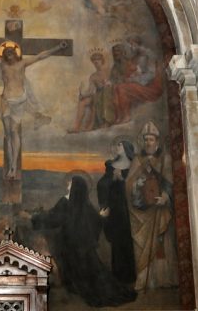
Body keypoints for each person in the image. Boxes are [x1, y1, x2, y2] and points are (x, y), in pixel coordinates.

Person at [0, 38, 66, 179]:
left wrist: (58, 47)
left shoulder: (22, 63)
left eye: (12, 52)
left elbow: (41, 56)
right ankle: (11, 166)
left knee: (14, 132)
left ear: (16, 54)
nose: (10, 54)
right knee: (8, 135)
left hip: (19, 101)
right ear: (4, 55)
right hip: (5, 100)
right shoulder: (0, 64)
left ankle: (13, 166)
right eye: (7, 53)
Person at [33, 176, 136, 307]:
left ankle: (78, 288)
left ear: (76, 186)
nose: (68, 184)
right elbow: (94, 220)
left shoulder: (66, 201)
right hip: (83, 246)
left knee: (89, 273)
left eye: (70, 182)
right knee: (90, 271)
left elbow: (52, 218)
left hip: (72, 245)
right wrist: (101, 217)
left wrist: (34, 218)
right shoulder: (84, 203)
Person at [126, 121, 178, 291]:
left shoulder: (165, 159)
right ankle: (146, 281)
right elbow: (129, 184)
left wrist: (166, 196)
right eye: (146, 139)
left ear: (157, 141)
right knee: (143, 247)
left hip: (161, 210)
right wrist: (137, 188)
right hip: (143, 211)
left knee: (162, 244)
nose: (148, 143)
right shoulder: (137, 160)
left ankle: (164, 278)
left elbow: (172, 183)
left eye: (151, 139)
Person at [97, 139, 136, 283]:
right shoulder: (111, 165)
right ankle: (118, 275)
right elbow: (102, 184)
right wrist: (113, 178)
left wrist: (123, 180)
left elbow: (137, 185)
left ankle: (130, 275)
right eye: (116, 144)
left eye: (120, 144)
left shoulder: (134, 165)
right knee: (117, 241)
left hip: (129, 208)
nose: (116, 147)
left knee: (128, 240)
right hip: (114, 208)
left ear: (126, 147)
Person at [68, 52, 114, 133]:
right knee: (83, 102)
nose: (96, 62)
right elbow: (91, 90)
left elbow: (114, 81)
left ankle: (101, 123)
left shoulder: (108, 71)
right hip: (97, 94)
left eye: (98, 59)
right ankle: (76, 127)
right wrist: (83, 95)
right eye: (94, 60)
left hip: (108, 93)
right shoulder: (93, 76)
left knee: (98, 98)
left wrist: (107, 84)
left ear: (102, 61)